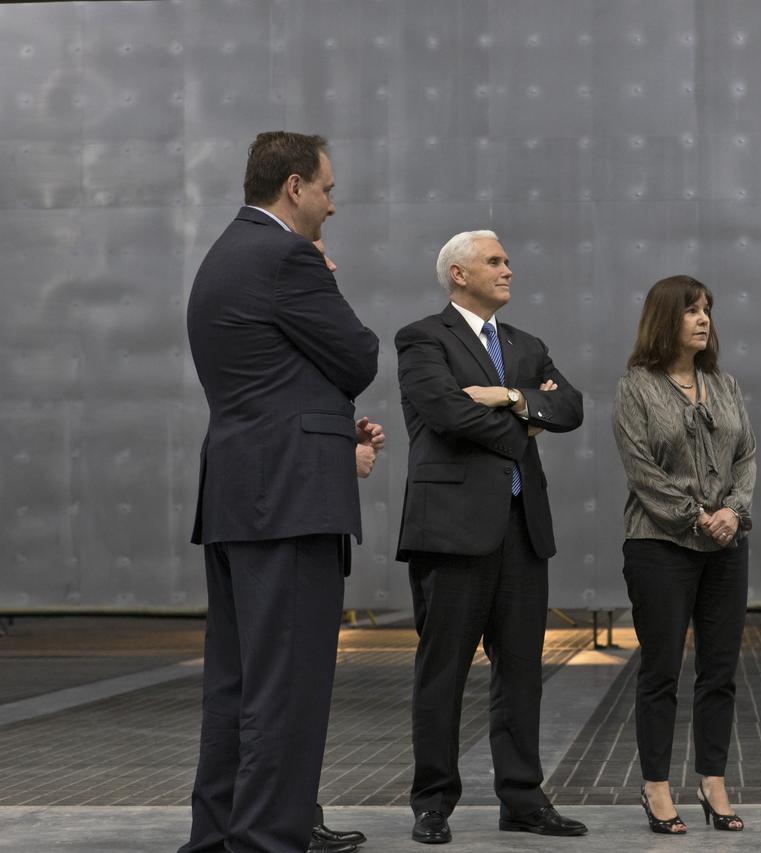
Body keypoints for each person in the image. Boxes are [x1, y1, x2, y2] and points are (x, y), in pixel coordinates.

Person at [182, 131, 382, 853]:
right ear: (294, 187)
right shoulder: (289, 257)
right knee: (286, 686)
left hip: (239, 492)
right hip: (290, 502)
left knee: (235, 686)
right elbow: (359, 354)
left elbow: (267, 377)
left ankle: (221, 833)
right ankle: (267, 838)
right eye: (327, 189)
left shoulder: (223, 256)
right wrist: (325, 277)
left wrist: (331, 428)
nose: (333, 204)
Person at [394, 230, 586, 844]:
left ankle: (522, 800)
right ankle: (432, 804)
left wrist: (508, 396)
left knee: (522, 670)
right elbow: (447, 413)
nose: (509, 268)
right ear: (458, 273)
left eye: (506, 259)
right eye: (495, 261)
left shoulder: (526, 346)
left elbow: (573, 407)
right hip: (450, 532)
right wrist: (526, 424)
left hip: (521, 530)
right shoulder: (423, 338)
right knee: (441, 671)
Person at [612, 275, 756, 835]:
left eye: (707, 311)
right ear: (663, 319)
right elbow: (641, 468)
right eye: (691, 311)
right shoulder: (635, 387)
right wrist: (696, 515)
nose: (703, 319)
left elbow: (747, 455)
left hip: (726, 544)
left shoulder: (725, 384)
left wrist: (734, 512)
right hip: (659, 544)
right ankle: (655, 785)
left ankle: (712, 780)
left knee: (719, 671)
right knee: (661, 670)